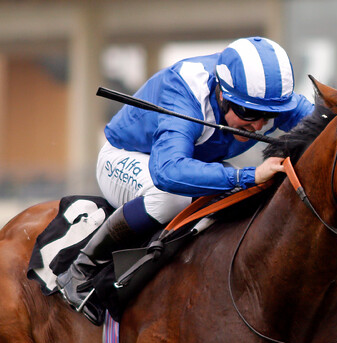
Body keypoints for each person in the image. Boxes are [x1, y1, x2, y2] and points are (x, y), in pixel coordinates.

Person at [57, 36, 315, 321]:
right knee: (173, 197)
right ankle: (81, 269)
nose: (257, 124)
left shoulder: (265, 96)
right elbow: (168, 171)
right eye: (248, 113)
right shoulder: (186, 90)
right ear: (221, 94)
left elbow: (329, 123)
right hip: (126, 158)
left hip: (190, 162)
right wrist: (249, 174)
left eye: (269, 117)